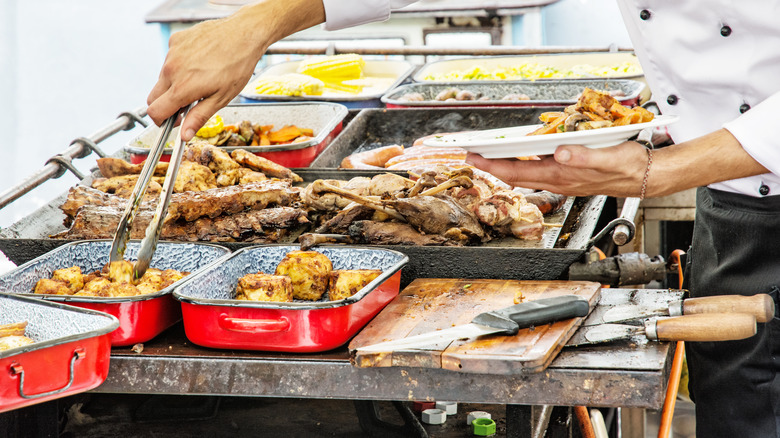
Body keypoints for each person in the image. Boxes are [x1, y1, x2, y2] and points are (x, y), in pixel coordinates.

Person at [146, 1, 780, 436]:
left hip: (723, 165)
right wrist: (260, 21)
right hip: (734, 194)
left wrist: (662, 170)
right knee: (740, 398)